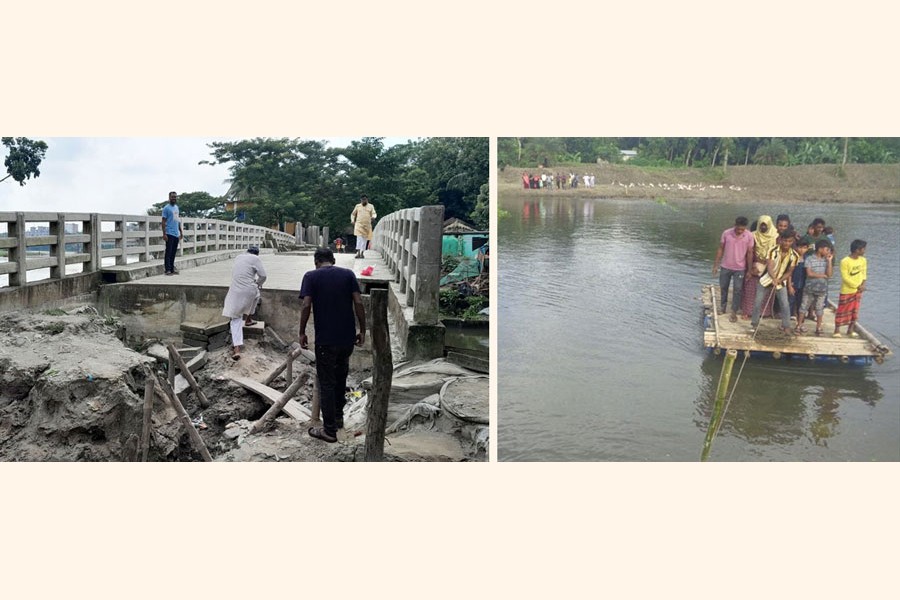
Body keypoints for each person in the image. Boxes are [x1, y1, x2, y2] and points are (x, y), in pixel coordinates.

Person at [299, 248, 367, 443]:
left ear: (316, 262)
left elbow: (306, 305)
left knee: (327, 383)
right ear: (333, 260)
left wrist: (302, 332)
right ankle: (337, 419)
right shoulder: (348, 274)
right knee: (340, 378)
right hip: (347, 339)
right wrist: (363, 330)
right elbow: (359, 302)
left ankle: (329, 431)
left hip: (326, 340)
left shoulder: (311, 276)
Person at [222, 246, 267, 360]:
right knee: (256, 295)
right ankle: (248, 319)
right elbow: (263, 276)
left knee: (235, 319)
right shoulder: (255, 259)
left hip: (234, 290)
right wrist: (257, 283)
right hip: (249, 290)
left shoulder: (238, 257)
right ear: (256, 254)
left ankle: (236, 349)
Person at [751, 231, 800, 335]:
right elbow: (769, 266)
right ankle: (754, 324)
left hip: (781, 282)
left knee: (785, 304)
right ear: (781, 240)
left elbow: (789, 271)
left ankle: (786, 326)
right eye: (785, 241)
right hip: (766, 280)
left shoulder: (794, 255)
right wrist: (773, 278)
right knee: (757, 302)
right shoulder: (772, 250)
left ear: (792, 242)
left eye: (789, 241)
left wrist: (780, 280)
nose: (787, 243)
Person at [712, 216, 755, 323]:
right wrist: (716, 265)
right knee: (723, 287)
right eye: (738, 228)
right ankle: (722, 307)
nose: (740, 231)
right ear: (734, 225)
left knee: (737, 289)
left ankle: (734, 311)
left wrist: (749, 270)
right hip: (726, 266)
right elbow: (720, 248)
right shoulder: (726, 233)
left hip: (740, 268)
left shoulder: (749, 236)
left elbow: (750, 253)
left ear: (745, 228)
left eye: (742, 229)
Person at [741, 215, 778, 319]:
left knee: (767, 288)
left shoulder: (775, 236)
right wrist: (753, 264)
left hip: (770, 265)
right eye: (761, 226)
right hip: (755, 264)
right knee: (750, 287)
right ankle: (748, 312)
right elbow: (750, 251)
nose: (763, 228)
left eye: (765, 226)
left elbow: (777, 252)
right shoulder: (753, 235)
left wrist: (769, 264)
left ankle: (765, 312)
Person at [797, 239, 833, 336]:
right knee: (804, 306)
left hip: (822, 290)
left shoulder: (826, 260)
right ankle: (799, 325)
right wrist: (822, 275)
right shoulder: (809, 259)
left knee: (819, 308)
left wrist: (829, 261)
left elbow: (829, 274)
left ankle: (818, 327)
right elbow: (809, 274)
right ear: (820, 249)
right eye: (827, 249)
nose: (828, 252)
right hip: (809, 288)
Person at [833, 239, 867, 338]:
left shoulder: (863, 260)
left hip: (858, 290)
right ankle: (837, 330)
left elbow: (864, 273)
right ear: (857, 250)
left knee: (854, 311)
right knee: (842, 310)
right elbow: (845, 277)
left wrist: (863, 284)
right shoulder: (845, 261)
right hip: (847, 290)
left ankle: (850, 330)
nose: (864, 251)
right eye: (863, 249)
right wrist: (856, 286)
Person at [789, 235, 812, 321]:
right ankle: (789, 316)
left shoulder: (808, 259)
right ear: (796, 247)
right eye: (800, 247)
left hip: (803, 284)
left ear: (807, 248)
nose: (802, 250)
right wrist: (789, 285)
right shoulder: (793, 258)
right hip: (793, 283)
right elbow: (790, 273)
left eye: (804, 248)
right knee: (791, 300)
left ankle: (800, 318)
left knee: (801, 301)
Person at [161, 191, 183, 275]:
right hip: (169, 232)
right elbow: (163, 221)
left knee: (173, 252)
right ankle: (167, 269)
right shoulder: (166, 208)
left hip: (176, 233)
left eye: (175, 197)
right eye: (172, 197)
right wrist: (164, 233)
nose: (174, 198)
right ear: (169, 198)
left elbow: (177, 220)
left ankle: (172, 268)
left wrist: (180, 231)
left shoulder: (176, 208)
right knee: (168, 252)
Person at [350, 194, 377, 259]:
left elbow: (374, 213)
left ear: (367, 200)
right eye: (362, 200)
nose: (363, 201)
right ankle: (358, 252)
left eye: (365, 200)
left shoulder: (371, 206)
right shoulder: (358, 206)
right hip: (359, 224)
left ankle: (362, 253)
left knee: (364, 240)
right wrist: (352, 220)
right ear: (361, 200)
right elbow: (353, 214)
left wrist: (373, 217)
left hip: (367, 225)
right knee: (359, 238)